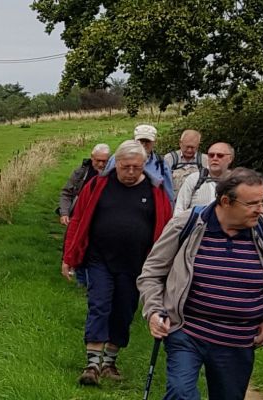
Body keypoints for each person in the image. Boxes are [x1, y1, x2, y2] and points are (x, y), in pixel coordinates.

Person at [137, 167, 263, 400]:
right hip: (187, 330)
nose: (261, 209)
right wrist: (154, 310)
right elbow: (152, 272)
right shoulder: (187, 224)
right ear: (226, 201)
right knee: (180, 393)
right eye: (252, 203)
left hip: (238, 339)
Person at [60, 140, 173, 386]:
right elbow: (78, 221)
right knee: (99, 304)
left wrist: (164, 268)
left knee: (123, 311)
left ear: (144, 165)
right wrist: (69, 257)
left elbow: (166, 229)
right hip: (99, 258)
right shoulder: (97, 185)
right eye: (125, 167)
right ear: (116, 164)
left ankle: (109, 361)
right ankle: (92, 364)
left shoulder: (156, 190)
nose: (131, 172)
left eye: (136, 167)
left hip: (137, 264)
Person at [59, 143, 112, 225]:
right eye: (98, 160)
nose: (101, 164)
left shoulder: (114, 174)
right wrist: (64, 213)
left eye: (104, 161)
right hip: (79, 215)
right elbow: (67, 193)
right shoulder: (81, 172)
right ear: (92, 157)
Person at [174, 142, 236, 211]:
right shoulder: (194, 179)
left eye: (220, 155)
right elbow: (179, 209)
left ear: (230, 158)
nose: (215, 158)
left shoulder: (237, 181)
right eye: (211, 155)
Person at [165, 129, 208, 195]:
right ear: (180, 143)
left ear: (198, 145)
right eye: (187, 146)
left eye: (193, 147)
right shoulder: (169, 158)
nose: (189, 150)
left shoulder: (205, 160)